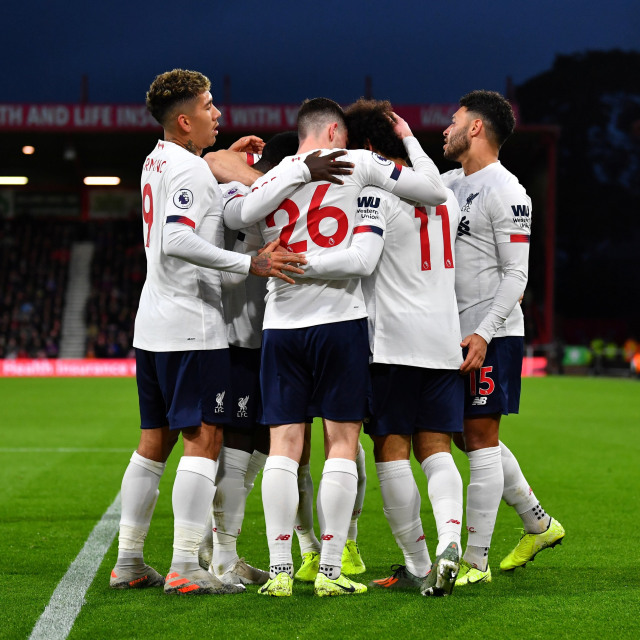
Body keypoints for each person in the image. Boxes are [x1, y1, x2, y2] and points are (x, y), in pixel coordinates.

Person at [109, 69, 343, 596]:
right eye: (210, 107)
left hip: (153, 323)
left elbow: (186, 213)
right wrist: (249, 264)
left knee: (152, 444)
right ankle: (186, 566)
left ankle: (128, 561)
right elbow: (177, 238)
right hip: (192, 324)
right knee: (205, 438)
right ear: (185, 119)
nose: (218, 113)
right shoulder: (190, 169)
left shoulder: (157, 160)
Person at [224, 97, 448, 597]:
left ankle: (281, 570)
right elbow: (434, 192)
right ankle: (329, 571)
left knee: (284, 446)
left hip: (281, 326)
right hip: (341, 322)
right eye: (341, 138)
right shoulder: (361, 163)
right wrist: (407, 139)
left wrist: (298, 170)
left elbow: (239, 210)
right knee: (341, 445)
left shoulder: (273, 176)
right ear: (331, 133)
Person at [296, 98, 465, 597]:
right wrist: (410, 138)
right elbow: (429, 180)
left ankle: (417, 563)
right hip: (442, 339)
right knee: (436, 450)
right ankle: (450, 541)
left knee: (392, 452)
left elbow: (361, 261)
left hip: (392, 342)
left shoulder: (374, 197)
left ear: (367, 147)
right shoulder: (445, 196)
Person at [440, 90, 565, 586]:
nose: (446, 129)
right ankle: (538, 524)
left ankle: (474, 561)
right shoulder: (450, 183)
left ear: (476, 128)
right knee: (460, 435)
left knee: (479, 438)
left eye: (454, 120)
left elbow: (517, 277)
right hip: (453, 334)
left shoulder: (508, 191)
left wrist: (483, 334)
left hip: (492, 336)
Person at [197, 131, 301, 586]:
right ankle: (221, 555)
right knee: (237, 449)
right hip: (241, 339)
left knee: (261, 447)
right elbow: (215, 161)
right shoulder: (245, 194)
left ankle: (216, 540)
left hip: (273, 340)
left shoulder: (259, 192)